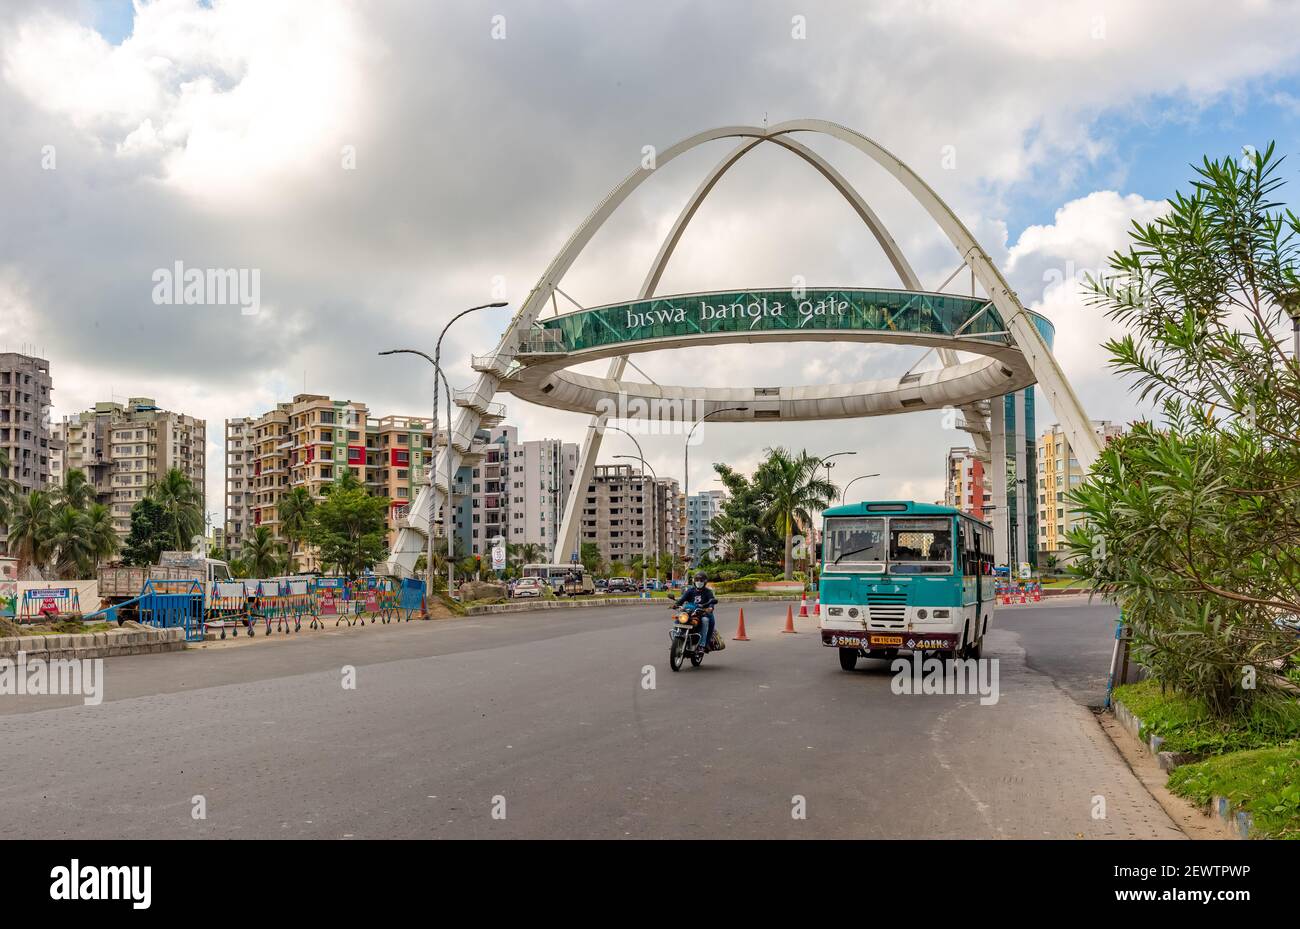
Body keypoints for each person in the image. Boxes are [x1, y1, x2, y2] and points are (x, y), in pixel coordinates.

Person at [673, 572, 718, 653]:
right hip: (691, 612)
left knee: (705, 620)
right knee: (678, 619)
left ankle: (702, 645)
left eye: (701, 580)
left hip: (703, 613)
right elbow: (682, 599)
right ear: (694, 581)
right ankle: (676, 640)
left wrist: (710, 607)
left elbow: (711, 601)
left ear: (705, 582)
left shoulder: (708, 592)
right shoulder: (690, 591)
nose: (699, 582)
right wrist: (676, 604)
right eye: (697, 580)